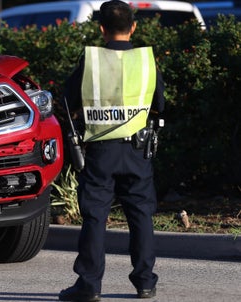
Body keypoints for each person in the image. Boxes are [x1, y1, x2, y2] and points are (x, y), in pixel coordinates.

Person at [59, 0, 165, 301]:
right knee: (141, 215)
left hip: (100, 151)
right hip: (137, 151)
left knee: (95, 217)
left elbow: (69, 98)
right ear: (133, 27)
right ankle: (145, 282)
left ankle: (89, 285)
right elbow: (159, 104)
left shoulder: (91, 61)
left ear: (101, 28)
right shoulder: (146, 61)